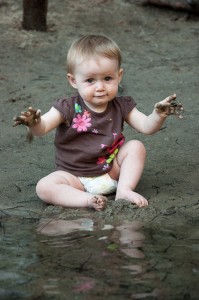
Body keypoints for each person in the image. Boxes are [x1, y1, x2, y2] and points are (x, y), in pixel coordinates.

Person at [13, 35, 183, 211]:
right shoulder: (67, 107)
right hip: (74, 178)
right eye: (90, 80)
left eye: (107, 78)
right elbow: (42, 128)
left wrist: (158, 114)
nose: (100, 87)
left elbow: (147, 127)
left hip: (111, 171)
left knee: (136, 146)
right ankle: (88, 199)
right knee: (44, 187)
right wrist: (34, 123)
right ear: (73, 80)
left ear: (119, 76)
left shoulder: (122, 105)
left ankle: (124, 190)